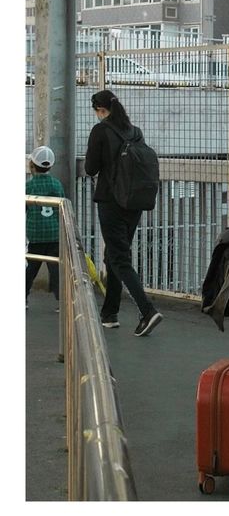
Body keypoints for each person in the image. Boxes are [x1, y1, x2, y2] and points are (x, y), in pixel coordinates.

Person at [85, 89, 163, 336]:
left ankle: (147, 311)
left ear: (99, 110)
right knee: (115, 255)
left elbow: (90, 168)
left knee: (119, 259)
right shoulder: (135, 132)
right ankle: (110, 314)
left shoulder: (101, 131)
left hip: (111, 201)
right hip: (134, 203)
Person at [26, 145, 65, 311]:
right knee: (55, 269)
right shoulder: (56, 184)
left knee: (30, 269)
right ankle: (61, 302)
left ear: (32, 166)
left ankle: (22, 298)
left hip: (35, 235)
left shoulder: (28, 186)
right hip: (54, 234)